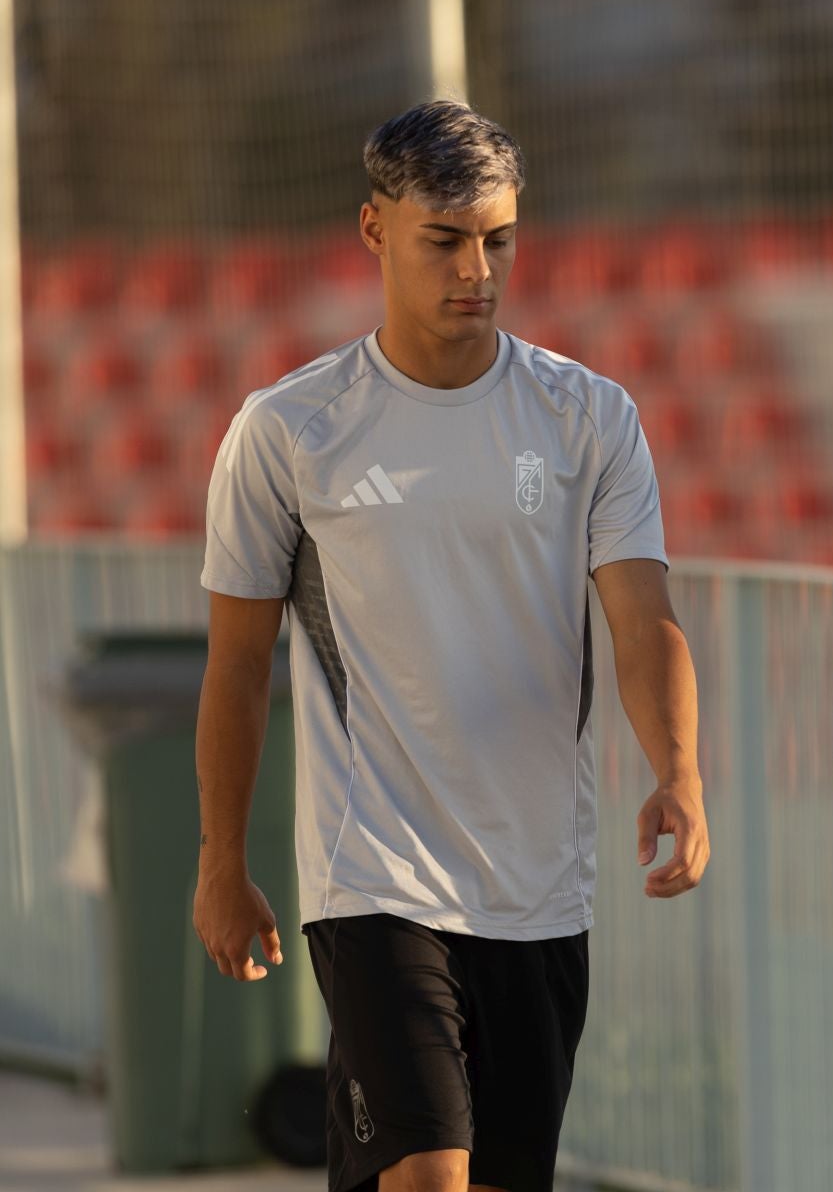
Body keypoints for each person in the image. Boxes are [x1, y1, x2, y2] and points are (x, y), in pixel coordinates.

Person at [192, 100, 709, 1192]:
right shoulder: (289, 430)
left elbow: (641, 618)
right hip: (372, 873)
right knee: (432, 1169)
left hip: (538, 885)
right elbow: (238, 661)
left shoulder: (588, 418)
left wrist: (680, 772)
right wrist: (221, 857)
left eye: (500, 239)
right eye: (446, 239)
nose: (478, 267)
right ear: (376, 229)